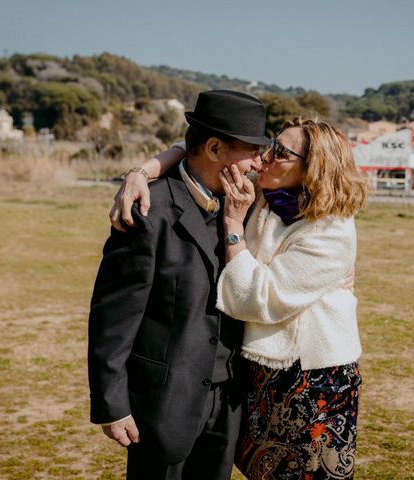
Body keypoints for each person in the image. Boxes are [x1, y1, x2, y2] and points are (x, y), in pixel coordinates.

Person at [112, 117, 368, 479]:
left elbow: (256, 300)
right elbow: (199, 150)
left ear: (313, 169)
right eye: (268, 146)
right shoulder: (269, 191)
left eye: (280, 152)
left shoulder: (332, 231)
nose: (263, 157)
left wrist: (234, 227)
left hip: (310, 375)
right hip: (262, 369)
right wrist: (139, 172)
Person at [88, 89, 270, 480]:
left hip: (228, 403)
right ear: (216, 148)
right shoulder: (148, 213)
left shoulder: (247, 204)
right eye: (252, 150)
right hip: (162, 405)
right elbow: (112, 318)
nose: (259, 162)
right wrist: (111, 404)